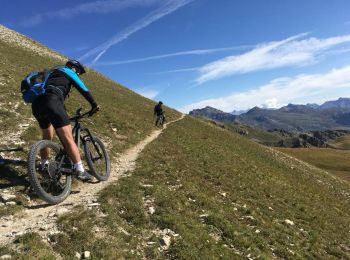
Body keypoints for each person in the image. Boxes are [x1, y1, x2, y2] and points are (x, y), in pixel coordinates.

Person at [31, 59, 99, 181]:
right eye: (78, 72)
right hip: (52, 101)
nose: (78, 74)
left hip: (37, 104)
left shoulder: (50, 73)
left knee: (47, 135)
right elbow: (83, 88)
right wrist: (94, 104)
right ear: (74, 68)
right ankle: (80, 170)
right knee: (68, 138)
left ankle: (44, 165)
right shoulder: (68, 71)